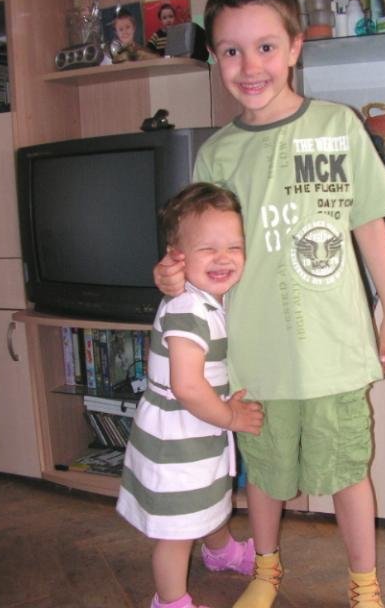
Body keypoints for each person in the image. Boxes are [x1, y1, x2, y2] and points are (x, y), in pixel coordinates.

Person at [154, 0, 385, 608]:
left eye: (266, 47)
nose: (250, 66)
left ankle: (365, 584)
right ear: (214, 57)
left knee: (348, 471)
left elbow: (370, 225)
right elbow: (198, 252)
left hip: (334, 351)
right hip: (254, 357)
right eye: (231, 51)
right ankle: (265, 571)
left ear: (295, 47)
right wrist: (172, 274)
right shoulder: (216, 155)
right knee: (264, 476)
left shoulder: (338, 126)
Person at [116, 182, 264, 608]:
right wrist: (231, 418)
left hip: (198, 427)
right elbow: (187, 386)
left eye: (234, 247)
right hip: (178, 435)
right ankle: (170, 600)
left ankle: (221, 551)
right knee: (176, 530)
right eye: (208, 249)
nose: (224, 258)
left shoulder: (209, 298)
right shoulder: (187, 309)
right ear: (176, 257)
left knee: (207, 497)